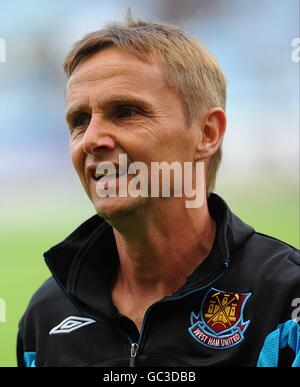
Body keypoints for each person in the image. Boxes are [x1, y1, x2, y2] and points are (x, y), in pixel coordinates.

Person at [17, 13, 300, 367]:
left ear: (207, 133)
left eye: (126, 112)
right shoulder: (46, 316)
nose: (91, 140)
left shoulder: (285, 300)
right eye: (79, 121)